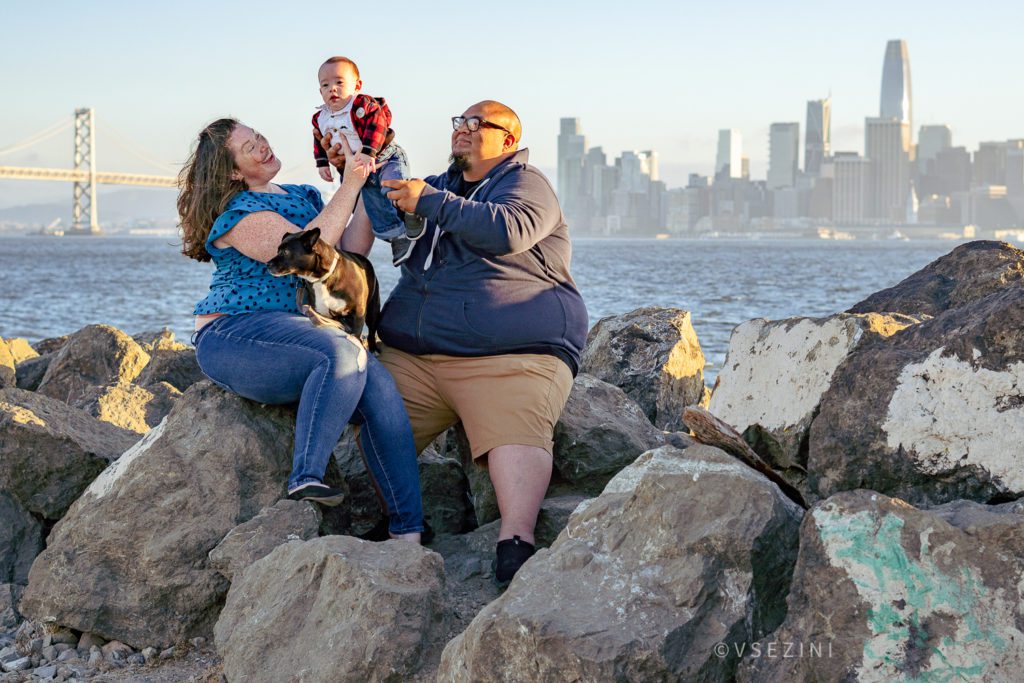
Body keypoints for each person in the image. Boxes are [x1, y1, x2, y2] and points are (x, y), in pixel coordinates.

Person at [338, 99, 588, 582]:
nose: (464, 131)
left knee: (515, 428)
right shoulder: (436, 185)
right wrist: (365, 174)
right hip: (415, 356)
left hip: (509, 354)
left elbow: (509, 230)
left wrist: (428, 202)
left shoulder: (525, 183)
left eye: (479, 125)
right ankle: (405, 523)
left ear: (508, 140)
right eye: (460, 123)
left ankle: (516, 540)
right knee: (370, 417)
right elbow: (366, 233)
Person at [179, 118, 424, 542]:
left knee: (382, 389)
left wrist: (366, 181)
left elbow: (343, 255)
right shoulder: (238, 215)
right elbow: (313, 244)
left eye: (260, 137)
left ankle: (408, 532)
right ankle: (306, 474)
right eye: (250, 147)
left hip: (301, 329)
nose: (263, 146)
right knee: (343, 350)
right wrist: (347, 184)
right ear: (234, 172)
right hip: (237, 334)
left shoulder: (303, 196)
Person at [312, 56, 425, 267]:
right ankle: (398, 237)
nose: (332, 89)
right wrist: (322, 163)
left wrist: (368, 151)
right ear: (320, 91)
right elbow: (318, 139)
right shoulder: (321, 116)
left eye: (339, 82)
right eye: (325, 85)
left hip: (384, 156)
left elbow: (377, 124)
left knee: (394, 188)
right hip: (354, 164)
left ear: (357, 85)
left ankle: (413, 215)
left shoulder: (362, 104)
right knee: (373, 206)